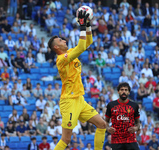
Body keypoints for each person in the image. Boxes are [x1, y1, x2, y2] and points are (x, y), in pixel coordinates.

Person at [48, 10, 106, 150]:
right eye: (61, 40)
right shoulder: (61, 60)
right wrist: (81, 25)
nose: (64, 40)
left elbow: (88, 42)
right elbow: (81, 46)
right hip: (69, 101)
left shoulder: (69, 53)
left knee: (102, 125)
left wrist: (87, 25)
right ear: (56, 47)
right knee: (66, 139)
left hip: (80, 100)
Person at [105, 82, 140, 150]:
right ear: (118, 91)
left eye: (126, 90)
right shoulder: (111, 105)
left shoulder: (134, 105)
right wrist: (108, 128)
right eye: (122, 90)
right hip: (116, 140)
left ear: (129, 92)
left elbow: (138, 123)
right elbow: (106, 121)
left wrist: (136, 128)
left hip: (131, 140)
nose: (124, 92)